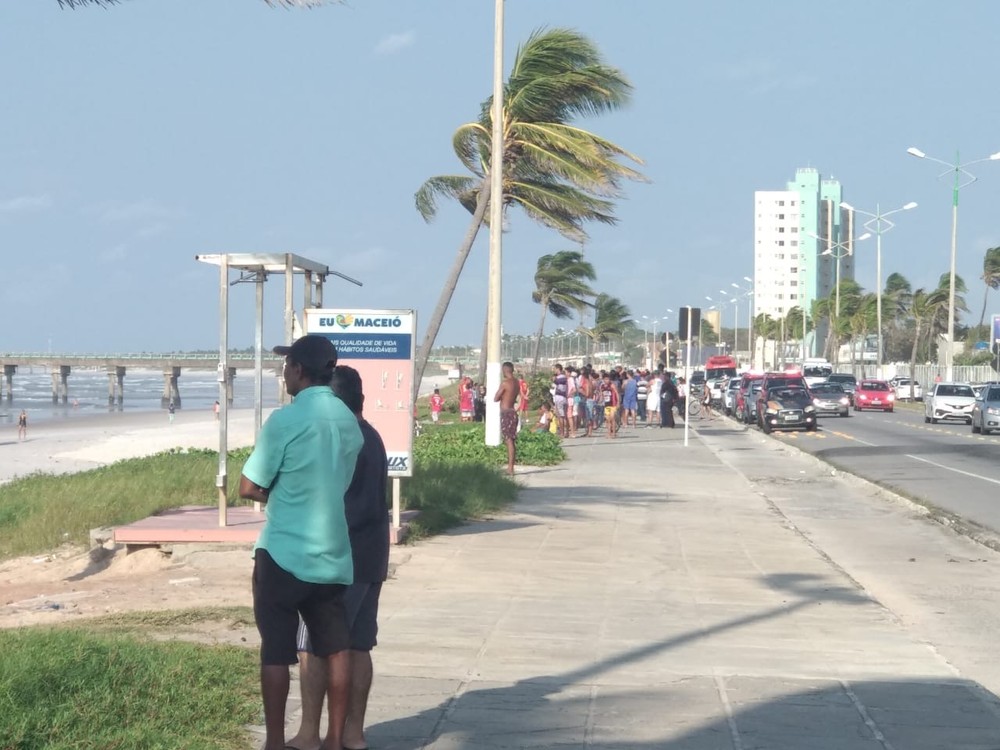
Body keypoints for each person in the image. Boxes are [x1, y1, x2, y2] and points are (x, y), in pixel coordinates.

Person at [238, 334, 363, 750]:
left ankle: (275, 742)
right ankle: (333, 741)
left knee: (276, 650)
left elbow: (248, 486)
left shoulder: (285, 421)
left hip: (283, 552)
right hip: (333, 554)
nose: (284, 373)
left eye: (287, 366)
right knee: (336, 648)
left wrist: (279, 493)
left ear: (299, 370)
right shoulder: (349, 422)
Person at [287, 365, 388, 750]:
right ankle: (353, 733)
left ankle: (311, 732)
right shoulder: (372, 437)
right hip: (370, 557)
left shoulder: (343, 441)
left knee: (313, 647)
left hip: (337, 560)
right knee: (359, 646)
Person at [494, 361, 519, 476]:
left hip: (506, 413)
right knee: (511, 440)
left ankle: (510, 468)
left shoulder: (505, 383)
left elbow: (496, 398)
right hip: (513, 412)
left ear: (505, 370)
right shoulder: (517, 382)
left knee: (509, 440)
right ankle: (511, 466)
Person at [552, 364, 569, 437]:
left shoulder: (559, 378)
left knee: (561, 416)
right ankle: (567, 432)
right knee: (565, 416)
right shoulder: (565, 378)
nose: (554, 370)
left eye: (555, 369)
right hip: (564, 398)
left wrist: (553, 380)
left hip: (559, 398)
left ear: (558, 369)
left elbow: (555, 386)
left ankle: (562, 433)